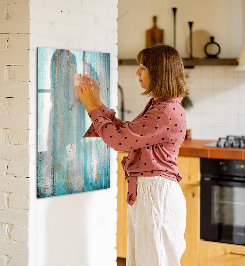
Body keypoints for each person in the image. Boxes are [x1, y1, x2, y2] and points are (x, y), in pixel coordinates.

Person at [75, 44, 188, 266]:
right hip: (150, 193)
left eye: (143, 67)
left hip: (156, 195)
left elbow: (119, 141)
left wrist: (91, 108)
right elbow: (127, 134)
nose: (137, 72)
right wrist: (97, 104)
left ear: (159, 71)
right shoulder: (161, 106)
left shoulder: (165, 111)